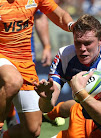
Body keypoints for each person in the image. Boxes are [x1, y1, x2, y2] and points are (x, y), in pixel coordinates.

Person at [0, 0, 75, 137]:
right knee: (13, 81)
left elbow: (59, 15)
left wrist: (73, 26)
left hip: (24, 62)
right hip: (2, 55)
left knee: (32, 130)